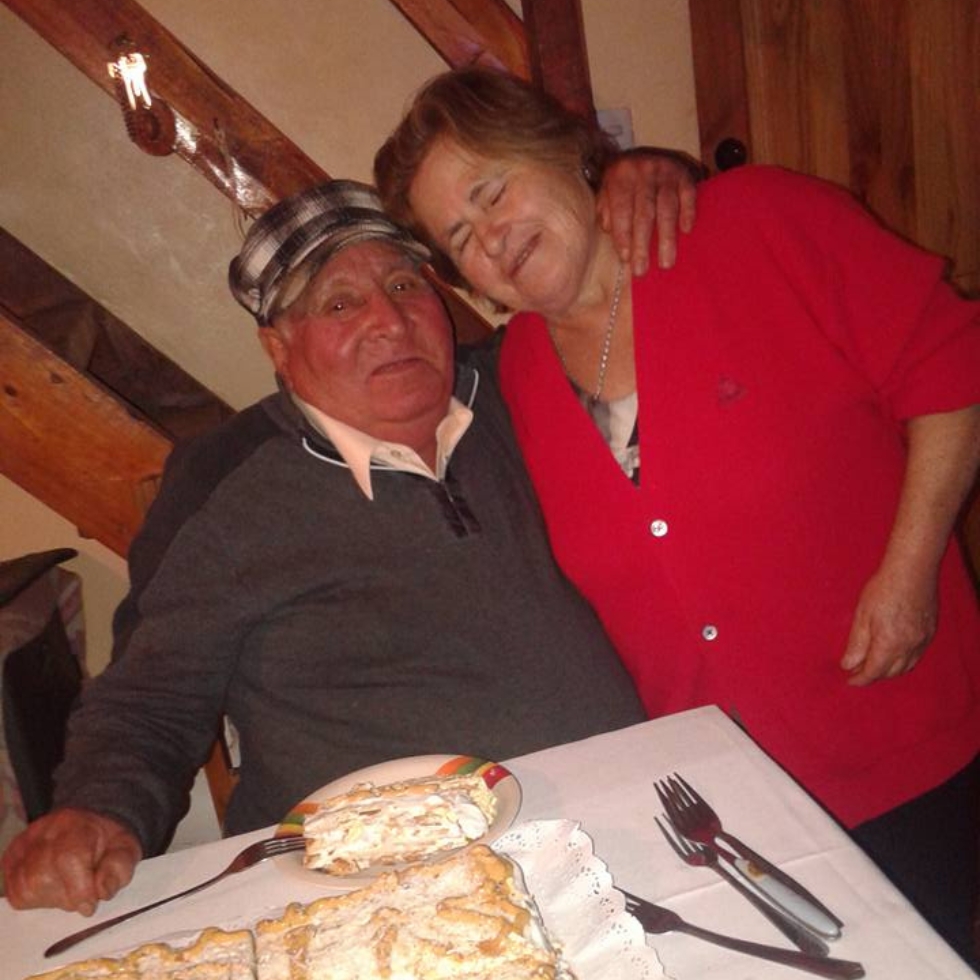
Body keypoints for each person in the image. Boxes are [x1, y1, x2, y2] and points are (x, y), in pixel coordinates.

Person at [374, 66, 980, 965]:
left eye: (492, 191)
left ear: (562, 149)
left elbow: (953, 370)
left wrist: (910, 571)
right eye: (459, 236)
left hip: (898, 742)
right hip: (723, 803)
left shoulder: (754, 223)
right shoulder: (518, 374)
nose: (491, 238)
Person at [1, 160, 697, 915]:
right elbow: (154, 689)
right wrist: (98, 807)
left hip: (623, 820)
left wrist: (634, 191)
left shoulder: (519, 385)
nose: (389, 322)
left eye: (403, 285)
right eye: (339, 303)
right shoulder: (226, 481)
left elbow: (629, 318)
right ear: (278, 348)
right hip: (378, 889)